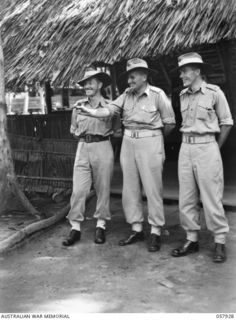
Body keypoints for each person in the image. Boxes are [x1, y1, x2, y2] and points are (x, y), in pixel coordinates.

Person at [77, 58, 176, 252]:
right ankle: (136, 228)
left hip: (151, 141)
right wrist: (89, 111)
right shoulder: (125, 95)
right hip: (128, 142)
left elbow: (170, 123)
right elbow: (108, 111)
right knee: (130, 188)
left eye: (132, 77)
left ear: (144, 76)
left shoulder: (158, 95)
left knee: (153, 187)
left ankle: (155, 230)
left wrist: (154, 139)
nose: (129, 81)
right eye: (128, 77)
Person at [171, 52, 233, 263]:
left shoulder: (215, 93)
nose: (181, 75)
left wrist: (215, 146)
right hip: (185, 147)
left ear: (197, 71)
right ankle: (191, 239)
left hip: (207, 147)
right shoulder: (182, 95)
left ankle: (219, 240)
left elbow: (226, 122)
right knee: (186, 196)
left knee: (211, 196)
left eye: (185, 71)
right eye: (181, 71)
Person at [62, 67, 114, 246]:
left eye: (90, 82)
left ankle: (101, 225)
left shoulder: (110, 106)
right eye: (85, 84)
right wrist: (82, 134)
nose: (87, 86)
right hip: (83, 147)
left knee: (103, 187)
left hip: (103, 146)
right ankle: (75, 228)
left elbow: (117, 130)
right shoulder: (78, 106)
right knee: (79, 189)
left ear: (100, 84)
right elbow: (73, 130)